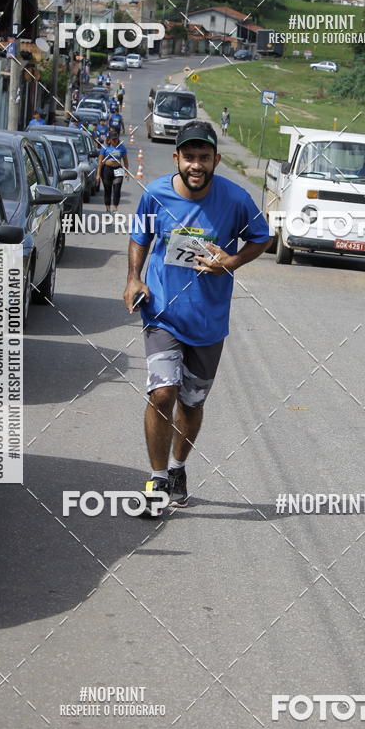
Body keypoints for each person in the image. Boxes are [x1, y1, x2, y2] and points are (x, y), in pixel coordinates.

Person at [123, 121, 271, 518]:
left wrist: (232, 261)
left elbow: (262, 236)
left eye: (204, 157)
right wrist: (134, 278)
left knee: (191, 402)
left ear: (215, 160)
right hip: (163, 314)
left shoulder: (236, 199)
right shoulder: (155, 194)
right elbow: (140, 236)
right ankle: (156, 481)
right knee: (162, 393)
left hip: (208, 322)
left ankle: (177, 468)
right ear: (177, 158)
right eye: (189, 156)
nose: (196, 164)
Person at [96, 130, 129, 213]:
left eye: (116, 139)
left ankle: (115, 207)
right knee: (108, 190)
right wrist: (98, 174)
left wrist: (126, 172)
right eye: (113, 139)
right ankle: (107, 208)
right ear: (109, 139)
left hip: (118, 169)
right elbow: (100, 161)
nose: (115, 141)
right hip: (106, 169)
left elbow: (125, 160)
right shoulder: (105, 147)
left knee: (117, 189)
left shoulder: (122, 147)